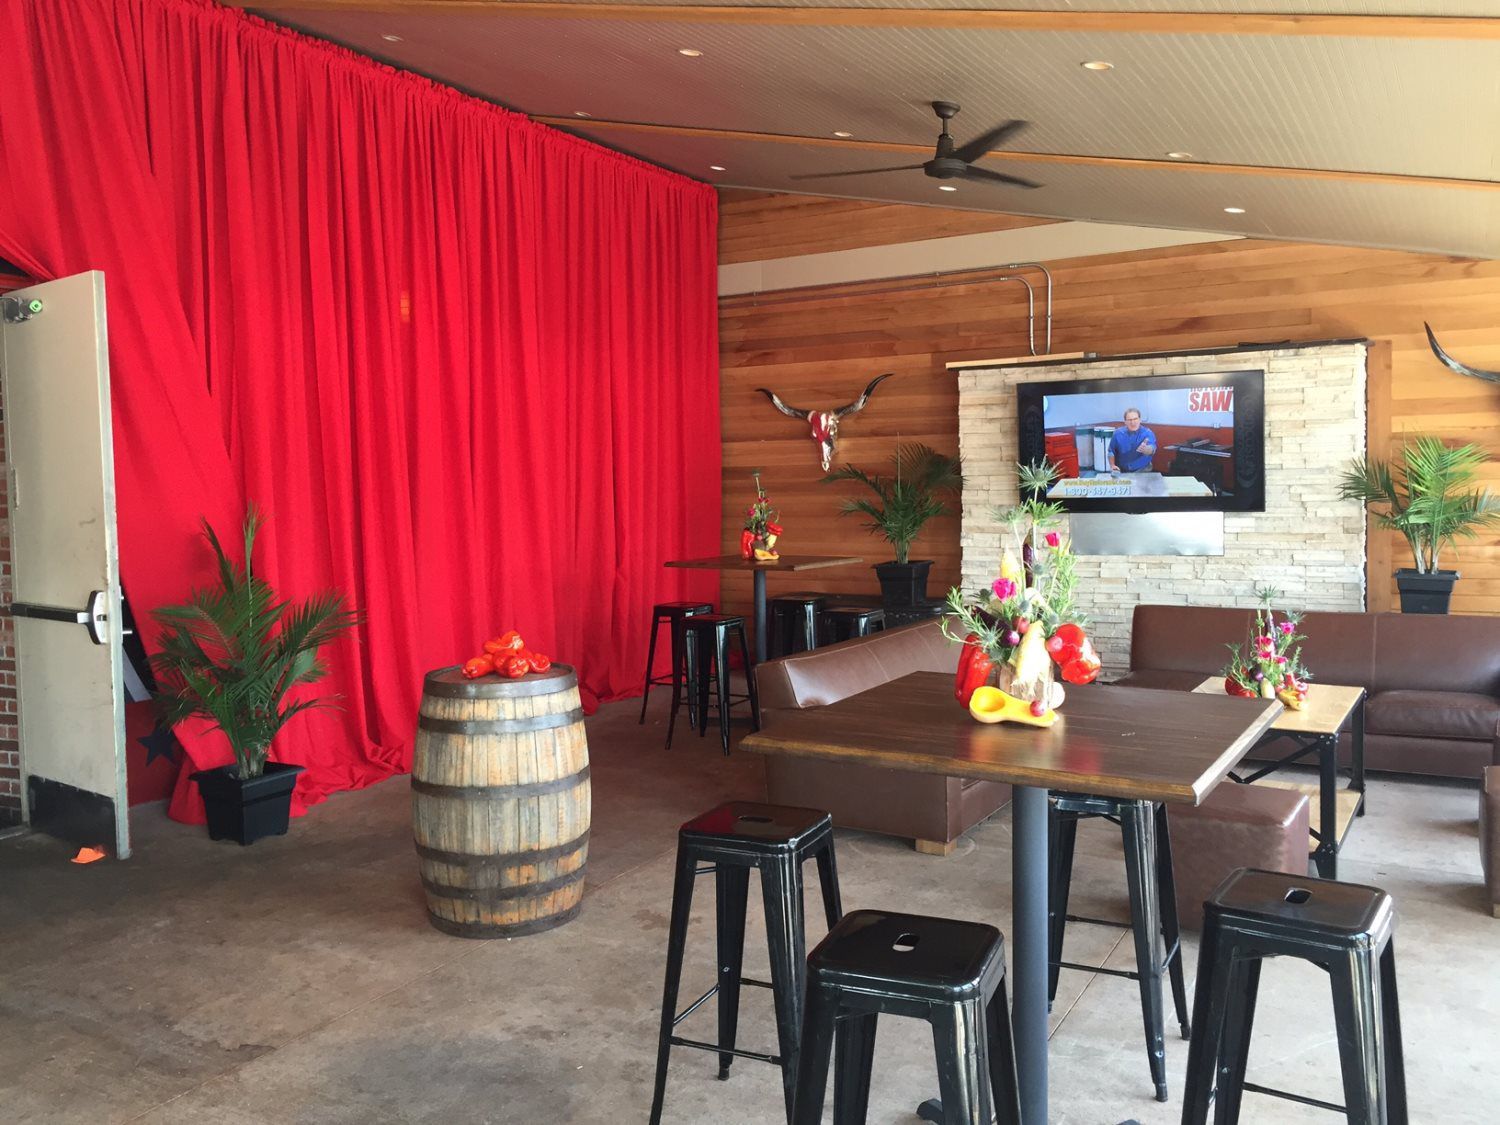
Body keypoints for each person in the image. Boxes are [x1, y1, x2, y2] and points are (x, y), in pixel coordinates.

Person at [1107, 407, 1157, 473]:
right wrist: (1112, 465)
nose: (1133, 422)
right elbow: (1111, 452)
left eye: (1135, 419)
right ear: (1125, 422)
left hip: (1143, 470)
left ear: (1140, 420)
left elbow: (1152, 449)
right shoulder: (1117, 433)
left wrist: (1146, 449)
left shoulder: (1147, 433)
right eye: (1129, 420)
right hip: (1121, 470)